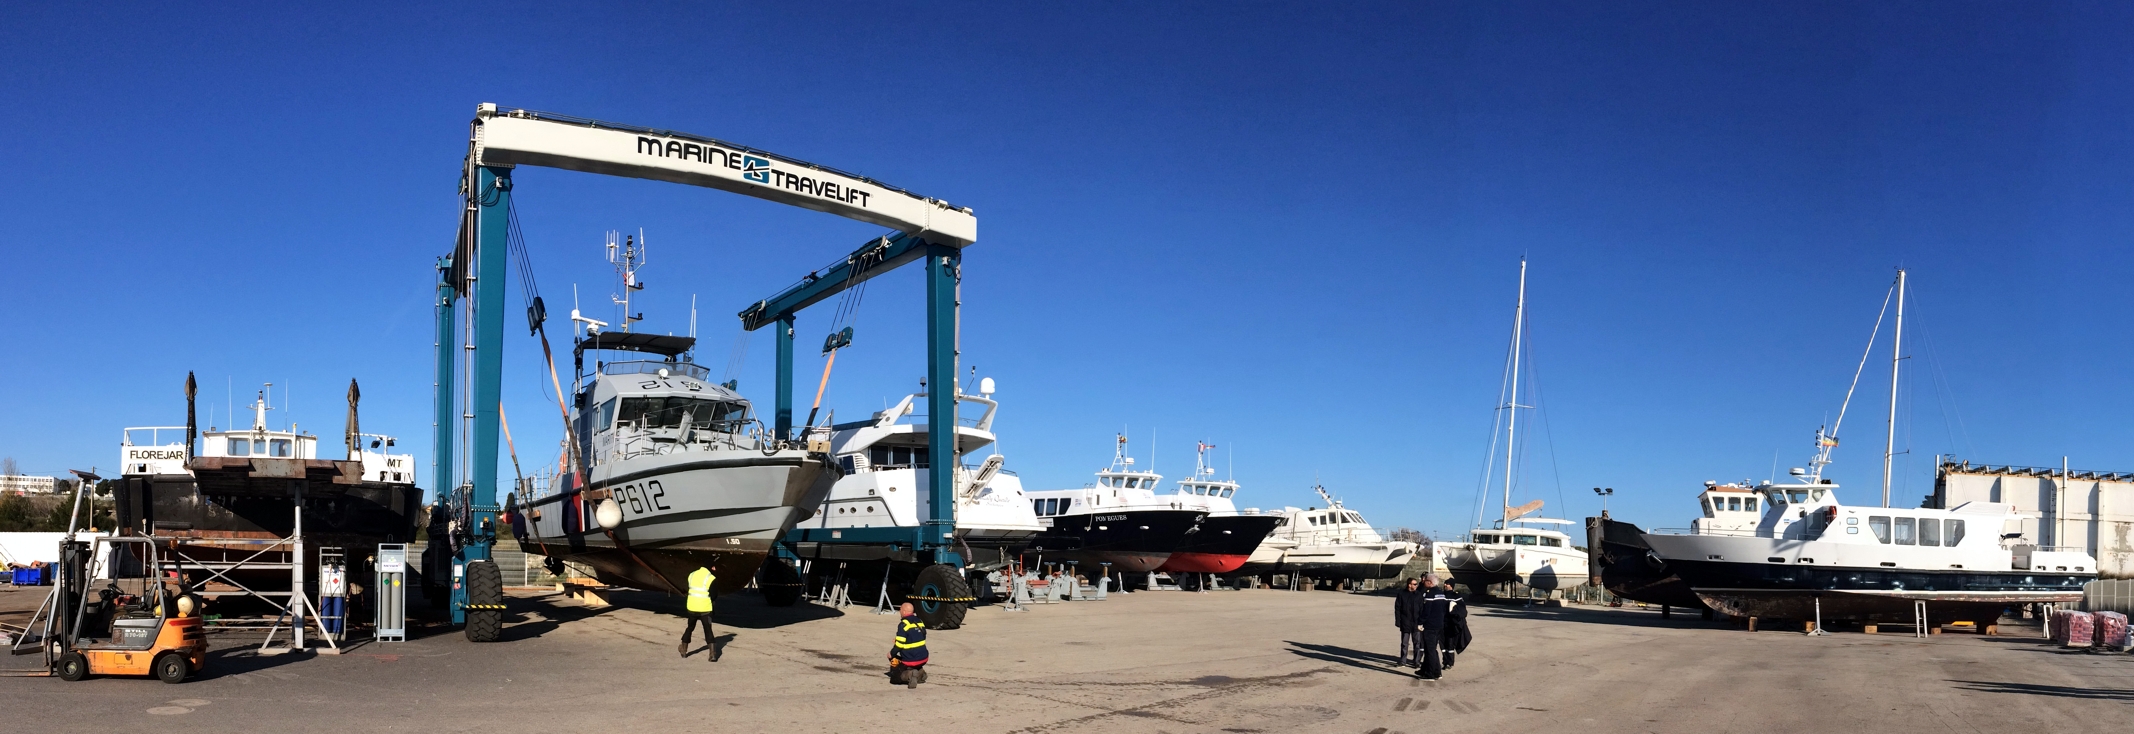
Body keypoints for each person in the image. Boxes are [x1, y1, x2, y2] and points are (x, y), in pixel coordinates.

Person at [1414, 574, 1460, 679]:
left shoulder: (1430, 594)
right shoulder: (1440, 593)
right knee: (1430, 649)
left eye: (1425, 581)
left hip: (1430, 626)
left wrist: (1420, 622)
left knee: (1430, 650)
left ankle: (1430, 674)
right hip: (1439, 625)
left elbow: (1426, 611)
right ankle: (1430, 670)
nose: (1423, 582)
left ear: (1430, 582)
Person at [887, 601, 929, 688]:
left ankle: (910, 675)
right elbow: (922, 636)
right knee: (911, 657)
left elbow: (899, 645)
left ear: (904, 611)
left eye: (901, 609)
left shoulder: (903, 625)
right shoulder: (919, 621)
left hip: (911, 659)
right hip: (924, 657)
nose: (900, 611)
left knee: (895, 677)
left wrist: (891, 654)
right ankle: (920, 672)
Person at [680, 566, 716, 662]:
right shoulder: (710, 577)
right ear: (710, 567)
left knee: (690, 628)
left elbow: (689, 588)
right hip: (705, 608)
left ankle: (683, 650)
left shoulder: (692, 575)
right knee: (708, 630)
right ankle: (712, 654)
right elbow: (714, 594)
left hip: (692, 607)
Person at [1394, 577, 1426, 669]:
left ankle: (1416, 661)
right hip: (1405, 622)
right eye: (1414, 584)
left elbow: (1421, 609)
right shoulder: (1401, 594)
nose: (1416, 586)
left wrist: (1421, 621)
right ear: (1409, 585)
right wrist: (1398, 621)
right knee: (1404, 643)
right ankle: (1403, 661)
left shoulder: (1418, 595)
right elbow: (1397, 608)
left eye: (1416, 584)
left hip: (1416, 622)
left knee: (1417, 643)